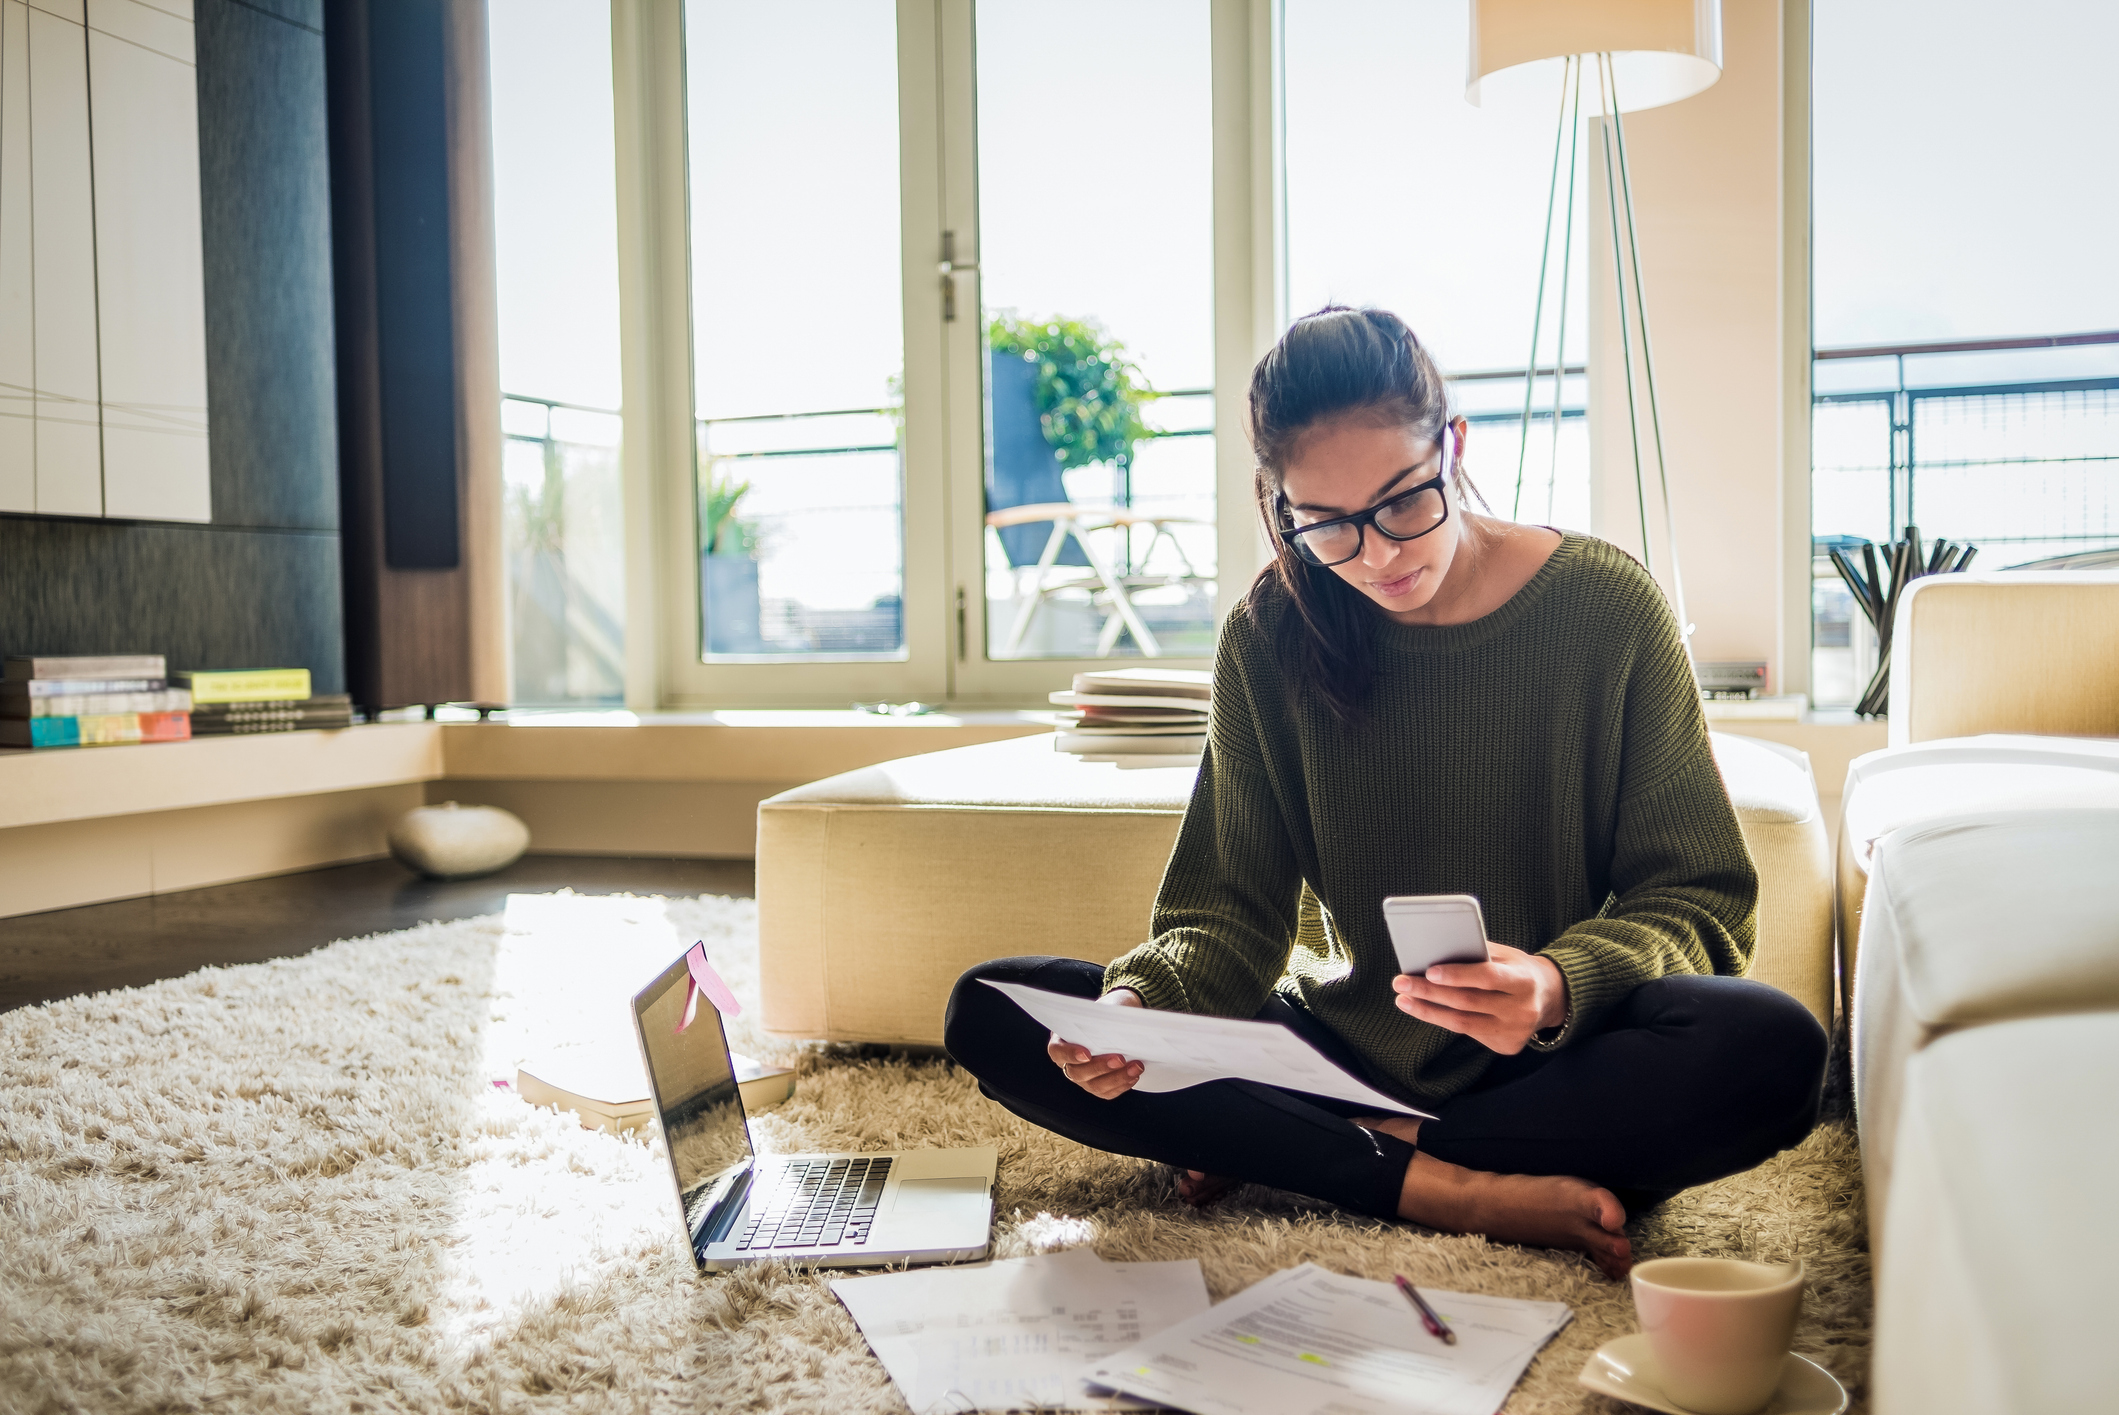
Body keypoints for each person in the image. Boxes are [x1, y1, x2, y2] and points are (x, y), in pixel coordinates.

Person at [943, 307, 1827, 1279]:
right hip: (1333, 1051)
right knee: (994, 1008)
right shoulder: (1267, 637)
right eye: (1323, 524)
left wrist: (1552, 984)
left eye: (1404, 501)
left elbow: (1697, 897)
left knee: (1771, 1048)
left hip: (1545, 1068)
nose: (1377, 555)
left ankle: (1323, 1152)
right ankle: (1446, 1184)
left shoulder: (1609, 609)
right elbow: (1227, 915)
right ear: (1279, 504)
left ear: (1451, 445)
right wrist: (1139, 1002)